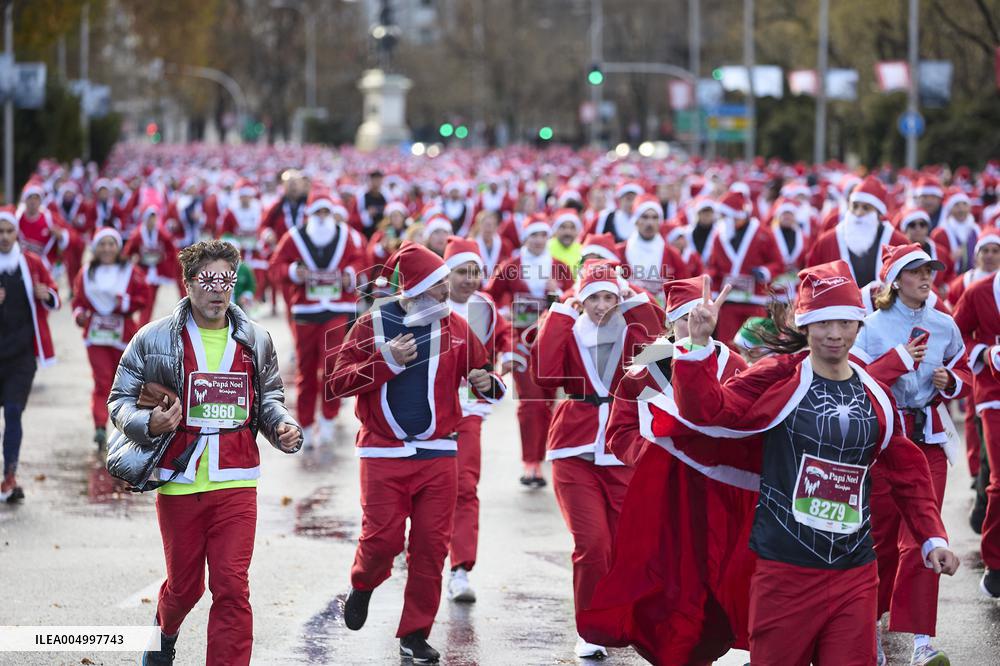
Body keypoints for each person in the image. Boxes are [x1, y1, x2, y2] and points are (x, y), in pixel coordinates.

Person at [670, 263, 959, 665]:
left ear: (860, 326)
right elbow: (709, 412)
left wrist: (932, 537)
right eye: (823, 323)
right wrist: (698, 345)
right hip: (783, 571)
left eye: (845, 322)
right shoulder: (777, 377)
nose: (835, 334)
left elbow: (908, 469)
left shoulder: (876, 393)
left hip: (854, 572)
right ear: (805, 326)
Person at [105, 239, 302, 666]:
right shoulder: (154, 337)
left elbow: (269, 399)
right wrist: (149, 423)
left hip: (236, 480)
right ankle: (164, 632)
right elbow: (119, 399)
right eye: (208, 279)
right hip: (179, 480)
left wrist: (282, 426)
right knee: (185, 588)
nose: (218, 289)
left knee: (232, 586)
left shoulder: (256, 340)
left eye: (226, 280)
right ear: (189, 282)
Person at [331, 242, 505, 665]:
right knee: (382, 542)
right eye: (441, 282)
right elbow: (336, 383)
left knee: (431, 547)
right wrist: (384, 361)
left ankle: (414, 632)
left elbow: (490, 379)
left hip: (439, 453)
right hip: (382, 454)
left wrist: (488, 384)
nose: (449, 290)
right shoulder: (371, 324)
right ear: (420, 287)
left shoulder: (458, 328)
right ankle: (362, 584)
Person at [579, 276, 756, 665]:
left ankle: (709, 647)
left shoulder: (734, 365)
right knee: (666, 582)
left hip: (719, 498)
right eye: (682, 322)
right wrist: (653, 457)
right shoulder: (647, 365)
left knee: (721, 578)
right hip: (663, 497)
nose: (691, 329)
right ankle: (672, 651)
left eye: (699, 319)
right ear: (670, 324)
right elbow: (620, 430)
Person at [530, 259, 661, 659]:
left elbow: (660, 343)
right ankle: (589, 627)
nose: (602, 305)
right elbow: (543, 373)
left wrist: (634, 296)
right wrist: (561, 311)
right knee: (592, 544)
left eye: (609, 297)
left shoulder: (633, 332)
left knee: (625, 547)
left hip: (622, 447)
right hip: (574, 448)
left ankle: (623, 620)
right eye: (594, 298)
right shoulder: (570, 329)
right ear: (581, 301)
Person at [851, 243, 970, 666]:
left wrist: (951, 381)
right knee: (879, 541)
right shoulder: (871, 326)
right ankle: (871, 636)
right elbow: (854, 383)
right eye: (917, 272)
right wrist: (897, 361)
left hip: (929, 442)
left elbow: (965, 370)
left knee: (926, 536)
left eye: (930, 271)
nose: (927, 279)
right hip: (883, 444)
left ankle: (922, 641)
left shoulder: (944, 324)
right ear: (897, 279)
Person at [442, 236, 512, 603]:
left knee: (465, 486)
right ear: (446, 273)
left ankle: (460, 570)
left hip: (469, 410)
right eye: (461, 272)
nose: (469, 279)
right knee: (427, 489)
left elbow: (505, 339)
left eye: (475, 272)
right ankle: (421, 545)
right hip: (428, 412)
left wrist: (510, 361)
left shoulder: (485, 305)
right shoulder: (430, 304)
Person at [485, 214, 574, 487]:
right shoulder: (511, 266)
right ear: (525, 238)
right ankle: (531, 464)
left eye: (543, 235)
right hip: (520, 341)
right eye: (533, 235)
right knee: (531, 402)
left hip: (551, 343)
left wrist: (556, 294)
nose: (538, 240)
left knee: (548, 400)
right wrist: (504, 315)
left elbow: (574, 301)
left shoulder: (559, 268)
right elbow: (490, 295)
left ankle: (544, 448)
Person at [271, 191, 364, 447]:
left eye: (326, 212)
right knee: (306, 368)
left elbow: (359, 260)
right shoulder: (295, 238)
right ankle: (307, 423)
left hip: (336, 308)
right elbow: (276, 265)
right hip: (306, 311)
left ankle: (328, 419)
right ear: (309, 214)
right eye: (317, 213)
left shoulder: (346, 236)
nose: (322, 218)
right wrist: (293, 271)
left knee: (333, 365)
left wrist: (350, 274)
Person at [0, 207, 59, 503]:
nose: (5, 237)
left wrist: (46, 294)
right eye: (0, 232)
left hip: (21, 356)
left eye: (9, 231)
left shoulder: (31, 263)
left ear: (17, 234)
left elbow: (54, 293)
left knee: (13, 412)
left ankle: (9, 476)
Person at [72, 228, 149, 450]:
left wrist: (124, 302)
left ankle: (127, 429)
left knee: (129, 383)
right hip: (96, 337)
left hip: (123, 335)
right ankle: (99, 426)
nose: (107, 248)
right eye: (102, 244)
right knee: (102, 381)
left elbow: (143, 297)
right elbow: (78, 302)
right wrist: (80, 316)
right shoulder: (86, 273)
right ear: (96, 248)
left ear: (118, 247)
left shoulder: (130, 271)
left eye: (111, 244)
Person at [952, 259, 1000, 599]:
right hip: (994, 396)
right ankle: (996, 564)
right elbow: (956, 338)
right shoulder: (979, 291)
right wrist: (985, 353)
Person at [705, 190, 783, 346]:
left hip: (755, 300)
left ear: (738, 215)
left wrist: (765, 272)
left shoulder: (763, 233)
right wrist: (711, 287)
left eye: (727, 216)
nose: (724, 220)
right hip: (728, 302)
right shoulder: (719, 235)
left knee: (756, 345)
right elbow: (713, 266)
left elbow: (777, 263)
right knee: (728, 346)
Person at [806, 176, 908, 286]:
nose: (858, 213)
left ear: (879, 213)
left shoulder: (897, 242)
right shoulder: (827, 242)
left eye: (866, 208)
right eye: (854, 206)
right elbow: (811, 281)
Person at [620, 194, 688, 305]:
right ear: (636, 220)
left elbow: (683, 290)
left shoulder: (672, 255)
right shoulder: (620, 252)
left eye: (654, 217)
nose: (650, 223)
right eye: (645, 217)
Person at [123, 206, 178, 326]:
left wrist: (163, 258)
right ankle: (141, 326)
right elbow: (127, 252)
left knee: (151, 300)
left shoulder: (161, 232)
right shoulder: (137, 235)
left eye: (154, 218)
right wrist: (134, 260)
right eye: (149, 218)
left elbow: (171, 249)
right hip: (143, 272)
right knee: (145, 301)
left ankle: (143, 325)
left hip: (156, 272)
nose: (152, 221)